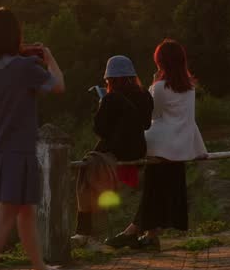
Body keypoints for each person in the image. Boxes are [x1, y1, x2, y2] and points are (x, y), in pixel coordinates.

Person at [0, 7, 72, 270]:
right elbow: (58, 85)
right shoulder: (25, 68)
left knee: (26, 212)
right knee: (6, 216)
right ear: (16, 35)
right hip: (17, 151)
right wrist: (47, 57)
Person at [106, 39, 206, 251]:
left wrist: (151, 87)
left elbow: (153, 115)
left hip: (161, 143)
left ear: (162, 63)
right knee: (158, 188)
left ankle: (133, 232)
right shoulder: (190, 88)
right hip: (183, 144)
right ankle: (148, 235)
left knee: (153, 187)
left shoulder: (159, 87)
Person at [75, 55, 153, 242]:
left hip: (115, 151)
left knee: (85, 174)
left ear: (111, 79)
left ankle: (84, 231)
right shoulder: (145, 96)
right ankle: (89, 232)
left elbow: (99, 129)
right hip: (139, 150)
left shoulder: (111, 98)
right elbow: (146, 124)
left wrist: (102, 104)